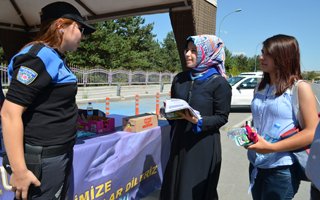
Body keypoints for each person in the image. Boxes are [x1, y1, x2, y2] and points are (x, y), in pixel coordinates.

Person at [1, 1, 95, 199]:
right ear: (61, 25)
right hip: (45, 158)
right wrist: (19, 171)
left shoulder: (55, 56)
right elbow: (9, 113)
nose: (82, 36)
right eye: (80, 28)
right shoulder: (38, 57)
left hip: (57, 153)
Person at [160, 34, 232, 200]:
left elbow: (222, 118)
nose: (187, 54)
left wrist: (199, 121)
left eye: (194, 50)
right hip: (179, 142)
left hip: (202, 146)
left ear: (207, 54)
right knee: (174, 188)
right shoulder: (180, 79)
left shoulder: (219, 83)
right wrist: (169, 112)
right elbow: (174, 110)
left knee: (194, 192)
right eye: (187, 49)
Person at [247, 34, 319, 200]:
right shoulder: (260, 86)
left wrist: (271, 148)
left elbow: (311, 132)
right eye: (262, 52)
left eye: (268, 54)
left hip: (282, 167)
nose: (261, 57)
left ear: (283, 57)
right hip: (256, 163)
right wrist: (249, 136)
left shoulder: (299, 88)